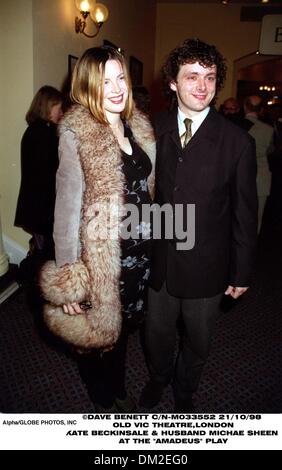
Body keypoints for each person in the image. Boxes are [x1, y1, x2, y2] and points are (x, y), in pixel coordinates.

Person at [140, 38, 258, 412]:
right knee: (155, 335)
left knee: (199, 339)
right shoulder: (148, 129)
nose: (202, 86)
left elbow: (244, 212)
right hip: (158, 260)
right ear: (173, 83)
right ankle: (159, 377)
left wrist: (241, 271)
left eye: (209, 77)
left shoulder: (237, 141)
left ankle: (185, 387)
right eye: (192, 76)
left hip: (208, 267)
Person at [39, 46, 155, 412]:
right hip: (101, 260)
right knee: (98, 334)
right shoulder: (78, 133)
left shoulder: (136, 126)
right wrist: (68, 278)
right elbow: (66, 210)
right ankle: (103, 397)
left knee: (123, 329)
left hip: (139, 255)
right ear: (89, 86)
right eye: (105, 81)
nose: (117, 87)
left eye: (121, 77)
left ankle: (115, 385)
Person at [15, 86, 63, 267]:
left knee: (43, 254)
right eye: (58, 107)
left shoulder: (35, 130)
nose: (61, 112)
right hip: (43, 208)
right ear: (48, 106)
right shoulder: (45, 133)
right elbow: (52, 173)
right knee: (46, 259)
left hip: (36, 207)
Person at [243, 95, 274, 232]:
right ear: (261, 109)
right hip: (261, 176)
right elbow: (271, 150)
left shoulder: (236, 125)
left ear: (245, 106)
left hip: (241, 176)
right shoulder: (268, 129)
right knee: (257, 217)